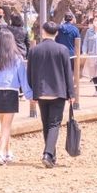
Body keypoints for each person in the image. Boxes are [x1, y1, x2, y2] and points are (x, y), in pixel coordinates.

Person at [27, 21, 74, 168]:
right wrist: (71, 93)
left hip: (41, 92)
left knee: (46, 123)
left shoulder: (34, 50)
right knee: (54, 124)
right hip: (58, 91)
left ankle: (51, 155)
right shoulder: (62, 49)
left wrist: (33, 91)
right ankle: (48, 154)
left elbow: (30, 73)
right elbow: (68, 73)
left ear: (43, 32)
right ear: (57, 33)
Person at [0, 30, 33, 164]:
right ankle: (0, 153)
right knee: (6, 126)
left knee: (4, 124)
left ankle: (8, 151)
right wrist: (29, 95)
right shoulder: (17, 58)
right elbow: (23, 79)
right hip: (11, 92)